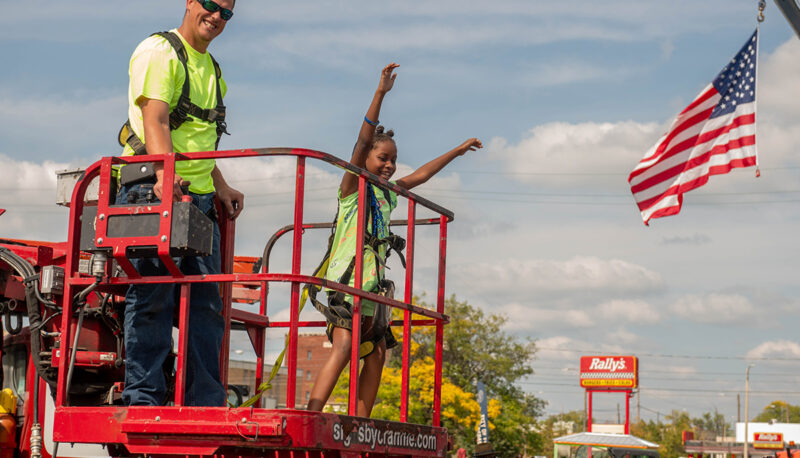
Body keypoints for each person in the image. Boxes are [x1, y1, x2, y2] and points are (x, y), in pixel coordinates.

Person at [306, 63, 482, 417]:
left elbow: (422, 174)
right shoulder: (353, 188)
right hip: (348, 282)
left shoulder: (388, 193)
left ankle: (359, 421)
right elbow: (358, 144)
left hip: (374, 286)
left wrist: (457, 151)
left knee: (377, 353)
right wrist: (380, 94)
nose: (389, 165)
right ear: (366, 159)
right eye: (382, 158)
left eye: (393, 160)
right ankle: (310, 414)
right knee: (343, 346)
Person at [116, 0, 243, 406]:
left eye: (226, 12)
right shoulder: (160, 51)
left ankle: (204, 401)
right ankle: (144, 398)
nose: (216, 16)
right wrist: (164, 178)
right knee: (154, 297)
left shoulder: (213, 70)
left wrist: (219, 184)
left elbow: (198, 140)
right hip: (152, 189)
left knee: (206, 304)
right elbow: (154, 121)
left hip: (199, 199)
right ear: (190, 2)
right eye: (210, 5)